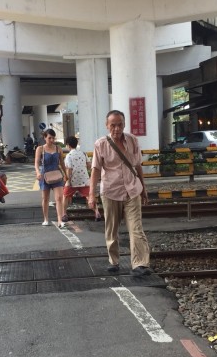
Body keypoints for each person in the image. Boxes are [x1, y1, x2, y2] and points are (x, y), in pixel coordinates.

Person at [88, 110, 152, 277]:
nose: (117, 128)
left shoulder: (132, 140)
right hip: (110, 191)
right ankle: (113, 261)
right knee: (111, 228)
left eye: (120, 125)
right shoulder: (100, 144)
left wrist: (144, 189)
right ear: (107, 125)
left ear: (124, 124)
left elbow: (138, 166)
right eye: (113, 125)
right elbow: (95, 170)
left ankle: (139, 263)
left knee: (136, 228)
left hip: (132, 189)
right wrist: (91, 194)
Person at [62, 136, 101, 222]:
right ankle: (97, 212)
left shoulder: (68, 156)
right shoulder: (84, 153)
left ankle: (64, 214)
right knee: (89, 196)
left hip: (73, 181)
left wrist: (67, 180)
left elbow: (69, 169)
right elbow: (89, 165)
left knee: (65, 196)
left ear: (68, 145)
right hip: (84, 179)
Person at [35, 128, 67, 228]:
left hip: (57, 175)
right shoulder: (40, 149)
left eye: (53, 138)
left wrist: (66, 174)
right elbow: (36, 163)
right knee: (45, 199)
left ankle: (60, 220)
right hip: (45, 175)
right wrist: (38, 172)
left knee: (59, 198)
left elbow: (62, 163)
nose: (52, 140)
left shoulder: (58, 148)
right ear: (45, 138)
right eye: (49, 138)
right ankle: (45, 219)